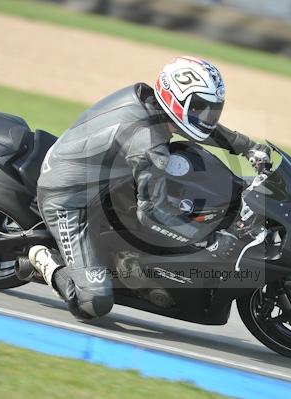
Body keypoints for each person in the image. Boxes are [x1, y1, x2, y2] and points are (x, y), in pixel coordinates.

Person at [24, 56, 271, 320]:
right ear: (175, 101)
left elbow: (196, 126)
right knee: (93, 303)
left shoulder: (151, 103)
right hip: (68, 199)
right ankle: (43, 259)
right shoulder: (148, 141)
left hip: (104, 183)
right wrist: (209, 241)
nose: (207, 116)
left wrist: (246, 146)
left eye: (212, 108)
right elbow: (152, 213)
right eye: (200, 108)